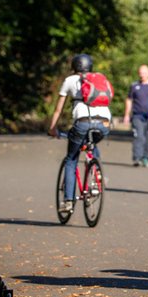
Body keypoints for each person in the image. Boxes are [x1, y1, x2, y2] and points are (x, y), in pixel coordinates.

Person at [48, 54, 111, 212]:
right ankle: (97, 178)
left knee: (71, 159)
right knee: (92, 144)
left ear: (74, 66)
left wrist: (53, 128)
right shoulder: (98, 78)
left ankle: (68, 201)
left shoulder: (70, 80)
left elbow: (58, 109)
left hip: (83, 122)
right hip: (104, 122)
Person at [123, 65, 148, 168]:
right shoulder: (134, 86)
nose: (142, 75)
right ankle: (137, 158)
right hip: (137, 116)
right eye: (140, 73)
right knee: (139, 136)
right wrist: (127, 115)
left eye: (144, 73)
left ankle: (146, 158)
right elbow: (129, 100)